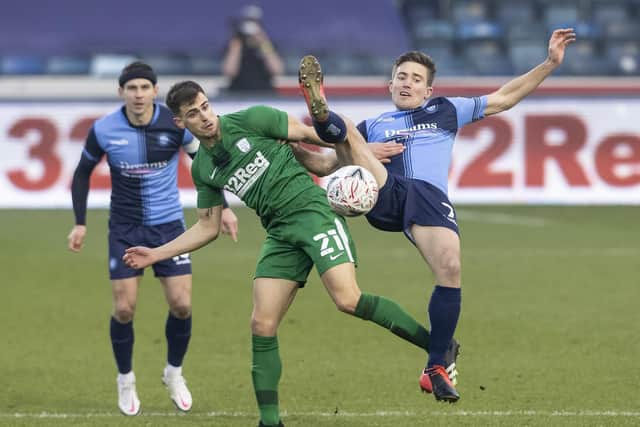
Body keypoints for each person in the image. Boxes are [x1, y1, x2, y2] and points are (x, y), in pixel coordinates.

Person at [123, 79, 443, 427]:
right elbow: (208, 227)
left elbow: (313, 135)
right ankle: (269, 421)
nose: (204, 117)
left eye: (204, 107)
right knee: (261, 324)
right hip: (279, 233)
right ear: (181, 123)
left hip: (313, 214)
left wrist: (361, 149)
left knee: (348, 300)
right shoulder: (204, 168)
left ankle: (438, 348)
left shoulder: (252, 119)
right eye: (193, 115)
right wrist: (156, 254)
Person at [290, 28, 577, 402]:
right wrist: (292, 145)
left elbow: (505, 98)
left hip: (427, 198)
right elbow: (324, 163)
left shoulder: (445, 109)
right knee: (347, 134)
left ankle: (436, 367)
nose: (407, 83)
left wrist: (550, 63)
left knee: (450, 268)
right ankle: (322, 114)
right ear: (389, 85)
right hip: (384, 193)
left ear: (428, 90)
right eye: (401, 77)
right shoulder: (372, 126)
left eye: (416, 79)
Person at [67, 61, 239, 416]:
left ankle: (174, 373)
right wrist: (80, 223)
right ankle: (125, 378)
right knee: (125, 309)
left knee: (182, 305)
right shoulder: (104, 129)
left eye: (145, 87)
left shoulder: (175, 126)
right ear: (121, 93)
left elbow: (203, 164)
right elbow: (82, 174)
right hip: (125, 229)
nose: (139, 94)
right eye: (132, 88)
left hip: (169, 228)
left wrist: (224, 208)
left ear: (155, 91)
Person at [221, 4, 284, 94]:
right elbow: (229, 72)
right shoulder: (234, 44)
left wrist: (263, 43)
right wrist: (236, 48)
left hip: (265, 93)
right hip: (237, 94)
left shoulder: (267, 44)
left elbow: (277, 70)